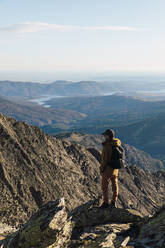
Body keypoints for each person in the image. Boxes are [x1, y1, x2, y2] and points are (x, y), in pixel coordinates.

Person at [99, 129, 121, 209]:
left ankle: (105, 202)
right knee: (115, 185)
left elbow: (105, 159)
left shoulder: (107, 146)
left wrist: (102, 169)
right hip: (115, 169)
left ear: (108, 136)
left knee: (104, 186)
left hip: (107, 169)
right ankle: (114, 202)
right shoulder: (117, 143)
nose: (104, 136)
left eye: (105, 135)